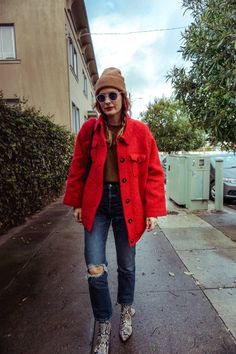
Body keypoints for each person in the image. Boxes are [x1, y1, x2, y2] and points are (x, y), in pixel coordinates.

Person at [63, 67, 166, 354]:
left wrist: (152, 210)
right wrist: (77, 202)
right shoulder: (89, 130)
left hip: (128, 203)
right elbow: (78, 167)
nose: (107, 101)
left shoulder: (141, 132)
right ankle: (103, 323)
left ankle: (126, 310)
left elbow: (155, 173)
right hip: (96, 203)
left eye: (112, 94)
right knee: (95, 268)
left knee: (127, 265)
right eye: (101, 96)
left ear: (122, 96)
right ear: (97, 102)